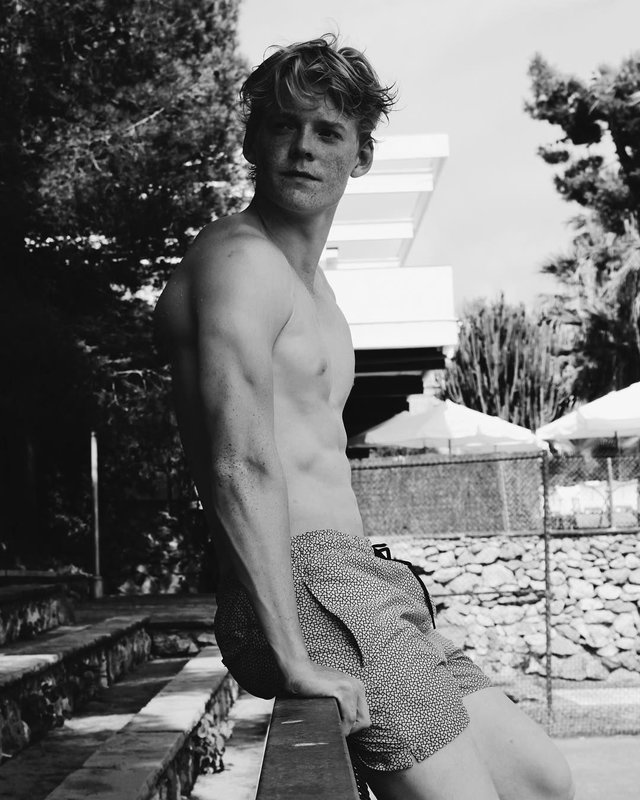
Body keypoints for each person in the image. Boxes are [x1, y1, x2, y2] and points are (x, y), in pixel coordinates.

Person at [154, 34, 574, 800]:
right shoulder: (239, 264)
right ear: (252, 139)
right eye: (284, 126)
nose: (303, 148)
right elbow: (238, 462)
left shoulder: (319, 294)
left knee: (542, 781)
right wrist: (291, 653)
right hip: (304, 588)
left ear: (361, 155)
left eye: (328, 132)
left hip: (366, 582)